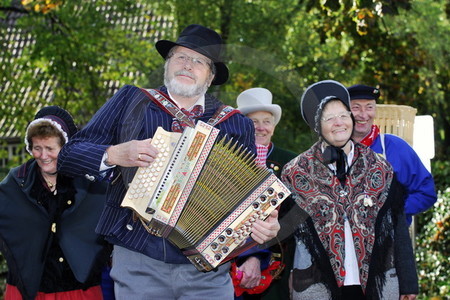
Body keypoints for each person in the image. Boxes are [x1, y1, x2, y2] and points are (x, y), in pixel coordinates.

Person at [57, 24, 280, 299]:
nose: (188, 65)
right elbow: (68, 156)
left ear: (210, 76)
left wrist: (262, 230)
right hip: (138, 258)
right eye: (181, 57)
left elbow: (248, 202)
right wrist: (115, 154)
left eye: (199, 61)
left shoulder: (235, 124)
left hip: (208, 270)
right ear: (168, 63)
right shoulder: (131, 100)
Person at [282, 80, 418, 299]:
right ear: (317, 125)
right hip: (316, 285)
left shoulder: (379, 166)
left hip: (377, 284)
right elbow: (284, 234)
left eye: (344, 115)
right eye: (329, 118)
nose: (339, 123)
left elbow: (398, 227)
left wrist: (409, 283)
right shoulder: (296, 172)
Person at [0, 106, 110, 300]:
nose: (43, 156)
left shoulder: (89, 184)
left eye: (50, 148)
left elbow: (107, 227)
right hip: (27, 289)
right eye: (37, 148)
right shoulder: (15, 183)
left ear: (65, 148)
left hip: (78, 289)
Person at [234, 87, 297, 299]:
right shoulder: (228, 159)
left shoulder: (291, 162)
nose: (261, 128)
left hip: (276, 266)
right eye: (253, 122)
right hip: (228, 265)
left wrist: (260, 254)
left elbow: (296, 219)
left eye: (267, 121)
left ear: (274, 126)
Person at [348, 84, 437, 224]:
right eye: (356, 107)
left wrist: (396, 210)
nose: (364, 114)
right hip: (346, 242)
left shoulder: (395, 147)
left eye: (369, 107)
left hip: (392, 241)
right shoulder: (334, 151)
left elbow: (426, 192)